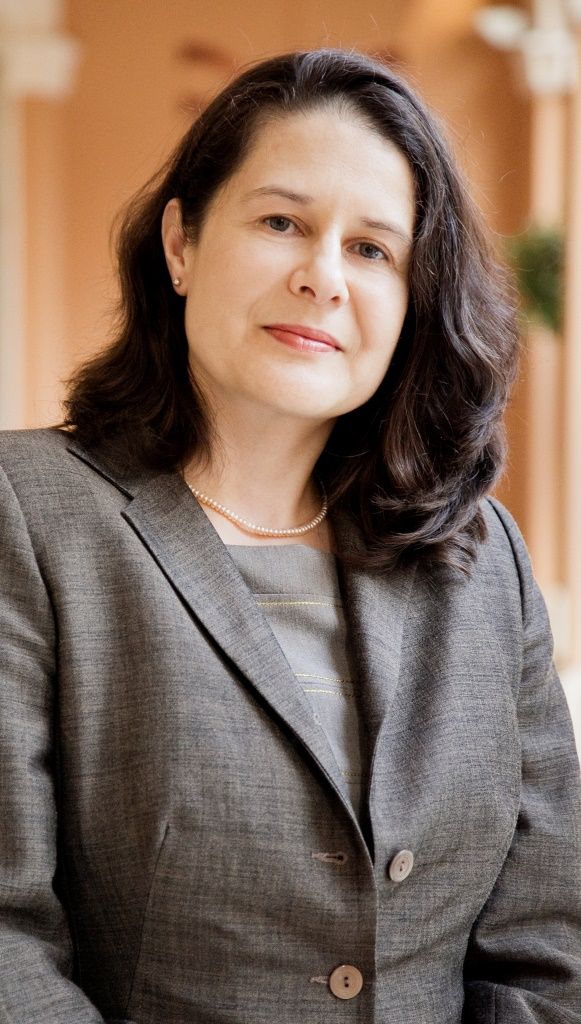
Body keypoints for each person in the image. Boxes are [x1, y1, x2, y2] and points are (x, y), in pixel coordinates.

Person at [0, 47, 579, 1024]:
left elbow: (549, 948)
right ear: (181, 244)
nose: (322, 277)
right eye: (281, 223)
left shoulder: (481, 558)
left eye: (373, 250)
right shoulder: (28, 511)